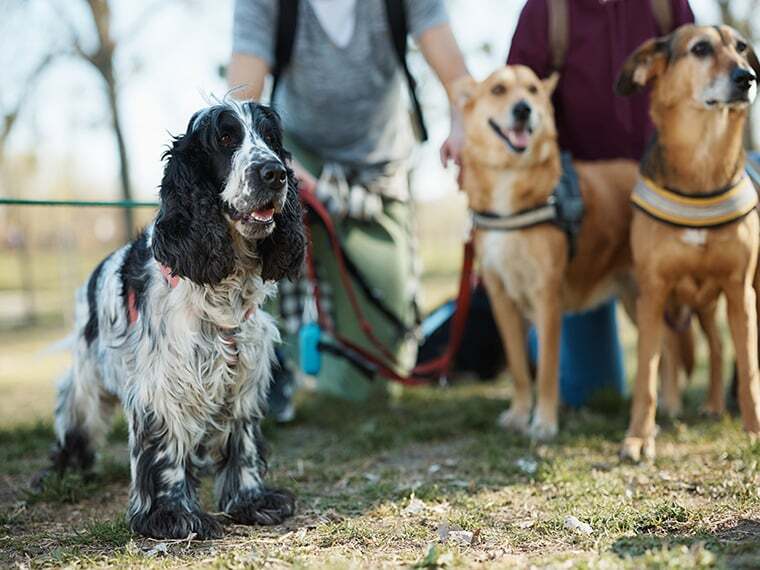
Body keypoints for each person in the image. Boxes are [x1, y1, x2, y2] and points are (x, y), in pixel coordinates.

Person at [229, 0, 470, 416]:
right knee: (252, 250)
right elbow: (239, 105)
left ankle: (339, 372)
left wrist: (464, 121)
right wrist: (284, 167)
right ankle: (266, 373)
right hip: (295, 159)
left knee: (372, 384)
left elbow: (460, 82)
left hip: (379, 170)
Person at [506, 0, 695, 406]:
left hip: (664, 199)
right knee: (591, 395)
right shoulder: (544, 12)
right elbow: (515, 112)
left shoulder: (667, 7)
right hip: (583, 224)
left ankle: (709, 380)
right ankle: (543, 346)